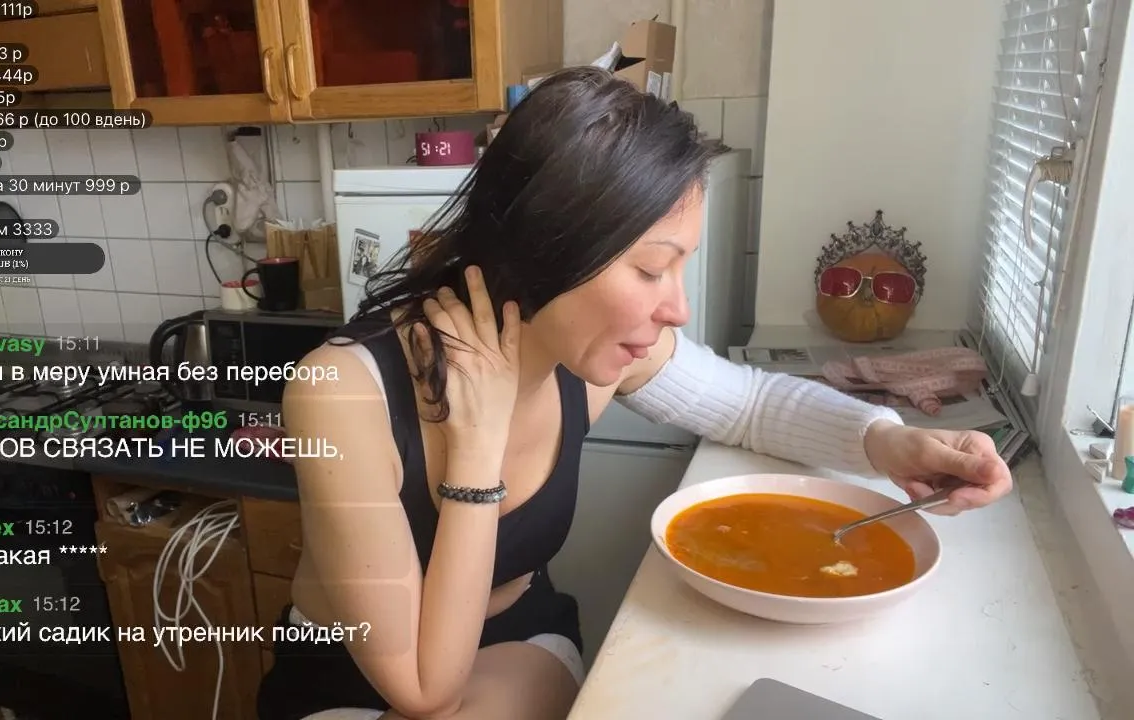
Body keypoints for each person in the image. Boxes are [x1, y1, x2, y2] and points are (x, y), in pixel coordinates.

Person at [256, 66, 1013, 720]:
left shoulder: (592, 355)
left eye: (680, 267)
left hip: (517, 643)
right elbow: (424, 690)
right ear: (549, 248)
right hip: (355, 673)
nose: (676, 308)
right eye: (652, 270)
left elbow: (750, 404)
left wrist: (890, 442)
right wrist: (476, 454)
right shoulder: (343, 392)